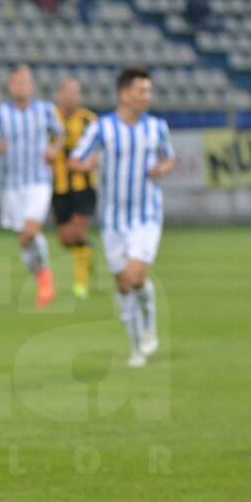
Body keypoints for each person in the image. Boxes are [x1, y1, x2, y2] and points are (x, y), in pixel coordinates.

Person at [69, 66, 175, 368]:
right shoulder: (102, 128)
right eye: (142, 91)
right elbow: (75, 159)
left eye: (148, 91)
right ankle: (135, 347)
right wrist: (86, 164)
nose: (147, 96)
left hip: (147, 215)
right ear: (124, 94)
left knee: (135, 275)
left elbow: (168, 158)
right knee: (123, 285)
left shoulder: (156, 127)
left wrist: (162, 169)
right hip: (113, 219)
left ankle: (149, 323)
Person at [0, 65, 63, 307]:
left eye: (26, 82)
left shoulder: (45, 110)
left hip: (39, 181)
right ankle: (41, 279)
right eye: (17, 83)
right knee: (24, 240)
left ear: (32, 86)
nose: (22, 87)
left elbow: (60, 134)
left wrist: (53, 149)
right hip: (12, 184)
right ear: (10, 87)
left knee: (30, 230)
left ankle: (46, 281)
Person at [51, 78, 99, 300]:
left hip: (84, 184)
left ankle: (81, 284)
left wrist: (91, 161)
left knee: (78, 231)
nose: (70, 96)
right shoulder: (49, 118)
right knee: (65, 238)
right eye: (66, 91)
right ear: (59, 94)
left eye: (75, 92)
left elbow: (101, 147)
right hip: (58, 185)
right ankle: (86, 252)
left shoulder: (89, 120)